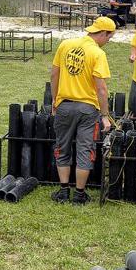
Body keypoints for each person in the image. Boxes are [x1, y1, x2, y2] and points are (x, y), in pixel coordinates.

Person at [48, 17, 115, 205]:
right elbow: (101, 89)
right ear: (103, 33)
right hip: (87, 110)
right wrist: (105, 116)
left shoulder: (65, 45)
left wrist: (55, 99)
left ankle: (63, 192)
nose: (108, 41)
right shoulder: (97, 53)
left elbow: (54, 74)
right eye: (109, 37)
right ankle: (79, 195)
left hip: (64, 106)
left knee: (62, 147)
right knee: (85, 150)